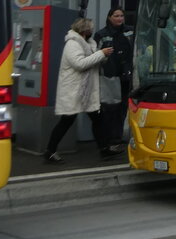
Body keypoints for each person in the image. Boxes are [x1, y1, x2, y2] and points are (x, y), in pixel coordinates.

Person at [44, 17, 123, 163]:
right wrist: (101, 54)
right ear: (85, 30)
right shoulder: (72, 44)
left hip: (85, 90)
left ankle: (104, 149)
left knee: (97, 119)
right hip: (74, 90)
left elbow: (92, 61)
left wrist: (103, 56)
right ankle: (50, 150)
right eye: (90, 29)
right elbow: (79, 64)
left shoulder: (88, 43)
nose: (92, 31)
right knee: (67, 120)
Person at [96, 7, 133, 143]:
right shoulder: (102, 34)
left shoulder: (130, 31)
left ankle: (117, 136)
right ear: (110, 17)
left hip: (127, 75)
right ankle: (109, 137)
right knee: (110, 107)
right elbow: (96, 55)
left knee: (124, 106)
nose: (119, 18)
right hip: (110, 75)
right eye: (116, 16)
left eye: (121, 16)